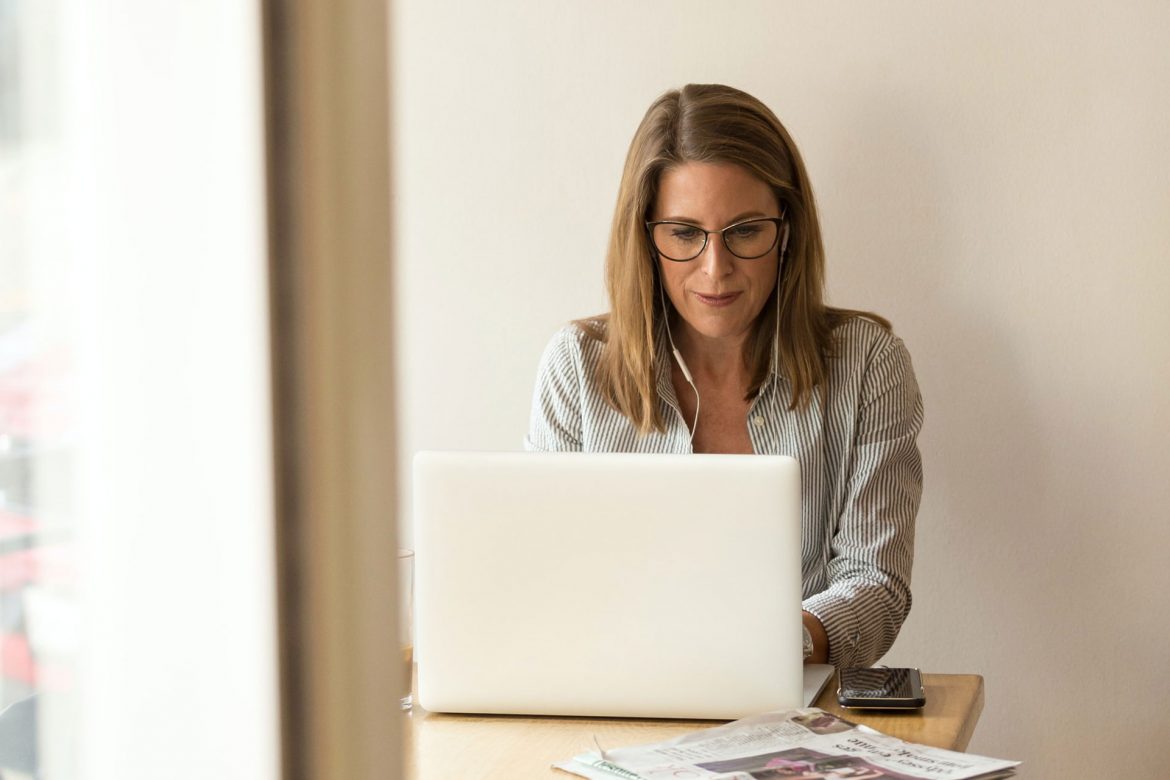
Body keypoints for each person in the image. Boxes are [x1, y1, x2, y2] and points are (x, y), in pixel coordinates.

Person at [524, 83, 923, 669]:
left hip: (792, 699)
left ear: (787, 230)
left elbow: (876, 584)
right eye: (685, 233)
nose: (716, 269)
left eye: (745, 231)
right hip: (615, 693)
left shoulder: (867, 363)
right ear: (646, 237)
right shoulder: (577, 366)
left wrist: (768, 647)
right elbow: (546, 577)